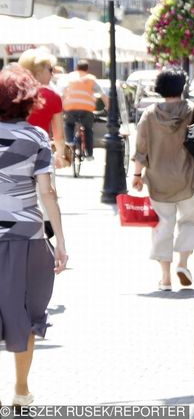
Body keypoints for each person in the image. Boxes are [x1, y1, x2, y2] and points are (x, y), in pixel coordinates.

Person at [0, 65, 68, 407]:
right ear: (29, 101)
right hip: (27, 236)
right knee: (24, 313)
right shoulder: (37, 138)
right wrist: (61, 242)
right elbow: (47, 192)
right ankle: (21, 390)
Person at [132, 70, 194, 291]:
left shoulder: (149, 115)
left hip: (158, 180)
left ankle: (165, 278)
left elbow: (141, 148)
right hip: (190, 177)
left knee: (163, 224)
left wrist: (137, 175)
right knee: (190, 221)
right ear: (182, 87)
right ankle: (183, 264)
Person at [18, 48, 66, 169]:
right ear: (38, 71)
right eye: (50, 69)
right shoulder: (53, 96)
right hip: (39, 154)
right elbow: (59, 136)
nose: (52, 74)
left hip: (10, 153)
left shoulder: (11, 93)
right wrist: (60, 155)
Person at [62, 60, 108, 160]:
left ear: (76, 68)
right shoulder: (91, 79)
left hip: (71, 107)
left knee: (68, 124)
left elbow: (63, 92)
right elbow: (102, 94)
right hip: (87, 109)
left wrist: (61, 106)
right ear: (87, 69)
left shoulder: (70, 77)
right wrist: (107, 107)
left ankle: (69, 142)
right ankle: (89, 154)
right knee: (88, 130)